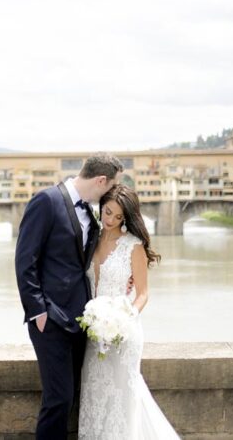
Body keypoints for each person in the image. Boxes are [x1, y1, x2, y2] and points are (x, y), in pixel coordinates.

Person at [15, 153, 125, 439]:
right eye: (111, 185)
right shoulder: (47, 201)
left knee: (71, 398)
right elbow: (25, 260)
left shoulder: (91, 212)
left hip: (80, 320)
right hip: (50, 320)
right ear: (101, 180)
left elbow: (84, 262)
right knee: (58, 399)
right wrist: (38, 311)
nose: (111, 192)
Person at [79, 184, 180, 439]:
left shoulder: (133, 246)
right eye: (108, 212)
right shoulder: (90, 238)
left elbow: (143, 293)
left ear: (126, 218)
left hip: (123, 333)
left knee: (123, 400)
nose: (111, 220)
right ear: (101, 207)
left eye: (118, 217)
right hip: (93, 332)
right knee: (95, 396)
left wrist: (124, 319)